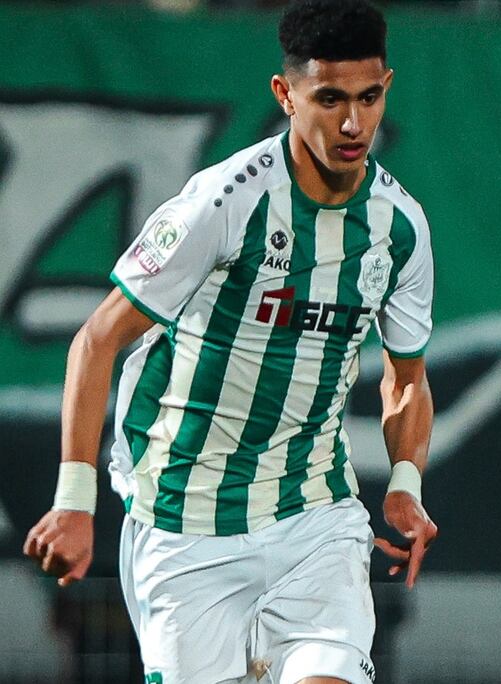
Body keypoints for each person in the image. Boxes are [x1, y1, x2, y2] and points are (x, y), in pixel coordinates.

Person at [23, 0, 438, 681]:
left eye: (368, 98)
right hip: (184, 521)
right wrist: (73, 499)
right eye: (330, 99)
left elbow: (407, 379)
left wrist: (404, 482)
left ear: (386, 87)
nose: (353, 123)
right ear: (285, 94)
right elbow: (95, 341)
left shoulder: (401, 228)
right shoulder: (224, 202)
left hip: (313, 515)